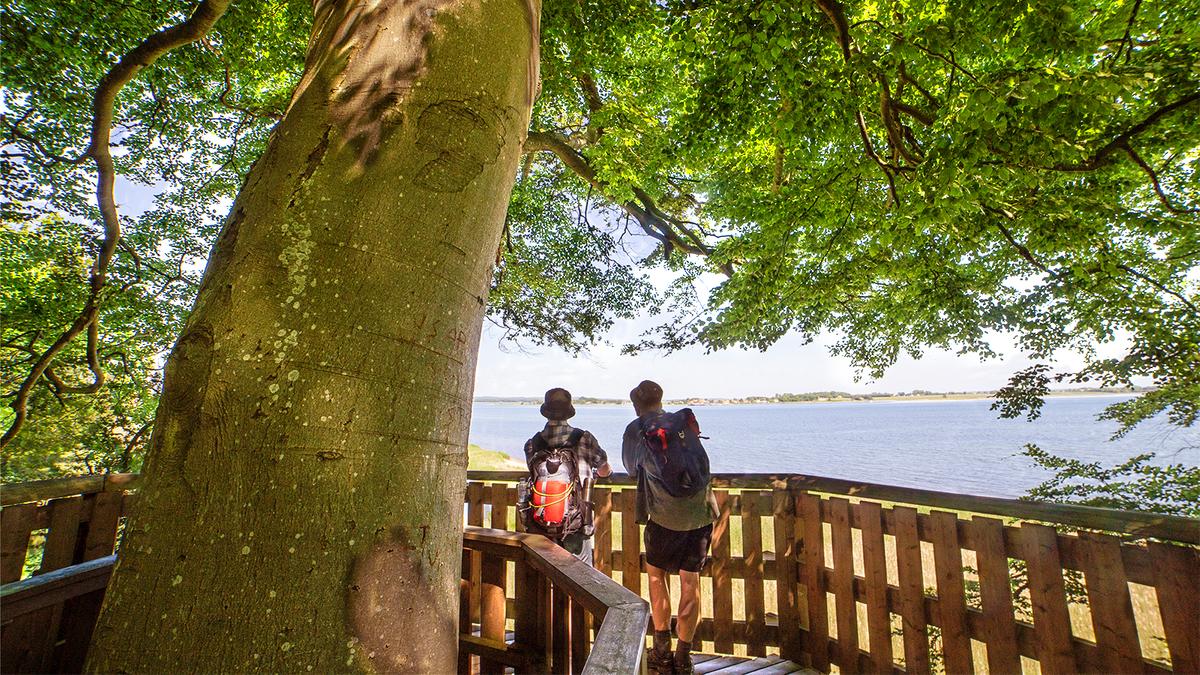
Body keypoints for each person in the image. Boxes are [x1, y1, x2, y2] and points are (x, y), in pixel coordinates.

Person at [622, 380, 718, 675]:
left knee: (656, 579)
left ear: (637, 404)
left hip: (663, 517)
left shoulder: (636, 429)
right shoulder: (681, 422)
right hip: (700, 515)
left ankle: (661, 654)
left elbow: (630, 468)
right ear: (661, 399)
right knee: (691, 584)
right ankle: (683, 658)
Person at [520, 387, 611, 564]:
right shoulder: (585, 438)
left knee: (544, 580)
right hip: (576, 525)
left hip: (541, 524)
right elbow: (604, 469)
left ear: (546, 412)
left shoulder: (532, 443)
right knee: (582, 579)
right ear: (568, 412)